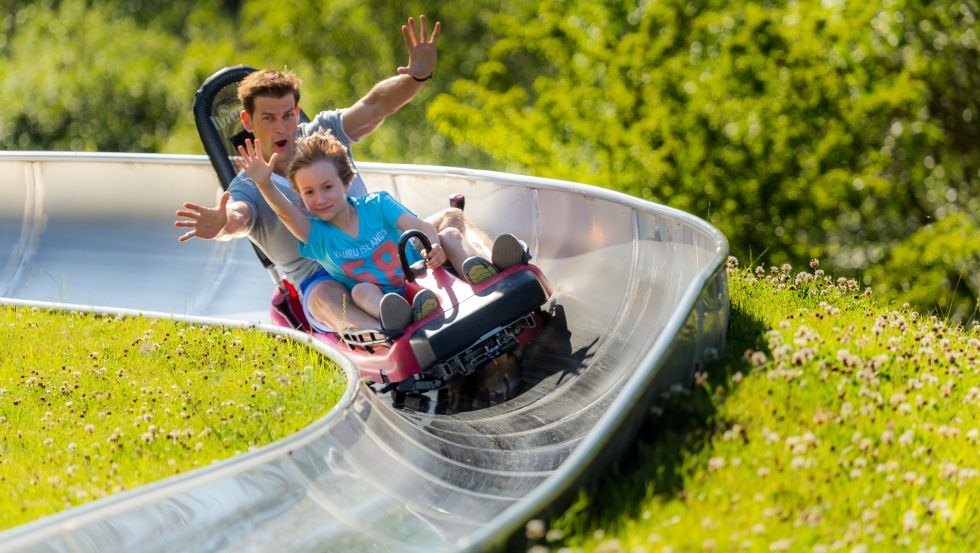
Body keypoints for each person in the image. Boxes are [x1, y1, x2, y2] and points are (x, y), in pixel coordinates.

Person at [175, 15, 526, 333]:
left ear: (297, 111)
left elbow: (373, 106)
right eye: (268, 118)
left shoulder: (323, 136)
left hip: (384, 250)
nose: (281, 127)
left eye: (287, 115)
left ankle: (500, 271)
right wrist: (221, 224)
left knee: (451, 218)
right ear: (249, 122)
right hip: (328, 277)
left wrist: (417, 76)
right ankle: (387, 334)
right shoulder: (251, 185)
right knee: (326, 295)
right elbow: (239, 215)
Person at [237, 130, 483, 331]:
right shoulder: (318, 237)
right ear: (300, 197)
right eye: (309, 192)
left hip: (421, 272)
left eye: (327, 187)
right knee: (360, 290)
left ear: (345, 182)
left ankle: (484, 273)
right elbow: (285, 213)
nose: (320, 198)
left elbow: (420, 227)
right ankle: (399, 316)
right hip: (383, 297)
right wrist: (264, 183)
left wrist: (434, 246)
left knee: (449, 235)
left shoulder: (376, 204)